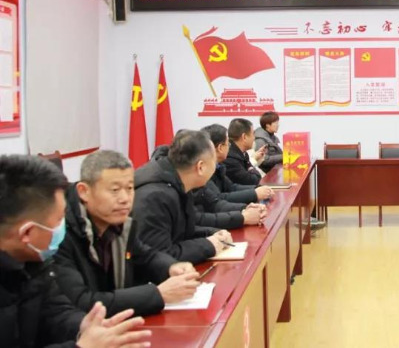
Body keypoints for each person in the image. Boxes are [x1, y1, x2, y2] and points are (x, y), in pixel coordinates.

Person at [0, 154, 151, 348]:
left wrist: (83, 326)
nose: (63, 226)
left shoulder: (34, 261)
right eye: (58, 220)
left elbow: (55, 312)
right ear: (27, 233)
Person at [54, 150, 201, 317]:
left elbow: (146, 256)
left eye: (130, 188)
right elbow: (81, 302)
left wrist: (171, 267)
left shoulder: (120, 223)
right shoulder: (58, 234)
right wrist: (158, 294)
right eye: (115, 190)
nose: (125, 198)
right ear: (84, 191)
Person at [134, 130, 234, 264]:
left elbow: (183, 231)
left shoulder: (176, 181)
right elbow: (159, 258)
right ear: (201, 167)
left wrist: (213, 234)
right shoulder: (155, 196)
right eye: (214, 161)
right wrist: (209, 245)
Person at [192, 124, 271, 230]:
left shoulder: (218, 166)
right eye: (228, 143)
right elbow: (199, 218)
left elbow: (218, 200)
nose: (230, 146)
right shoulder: (200, 176)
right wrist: (243, 216)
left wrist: (246, 207)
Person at [224, 118, 264, 186]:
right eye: (253, 134)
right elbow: (253, 180)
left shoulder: (243, 153)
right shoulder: (230, 158)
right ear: (244, 137)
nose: (254, 138)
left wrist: (251, 169)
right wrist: (252, 169)